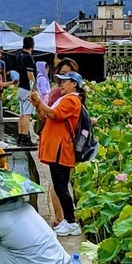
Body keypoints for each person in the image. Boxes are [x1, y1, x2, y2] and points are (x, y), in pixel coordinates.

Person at [30, 71, 84, 236]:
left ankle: (71, 223)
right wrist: (38, 105)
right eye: (59, 81)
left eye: (64, 82)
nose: (60, 84)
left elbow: (54, 114)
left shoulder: (72, 100)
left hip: (62, 149)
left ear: (74, 84)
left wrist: (40, 102)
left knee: (61, 188)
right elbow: (47, 118)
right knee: (60, 187)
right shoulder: (64, 99)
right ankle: (69, 222)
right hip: (56, 149)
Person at [14, 37, 38, 146]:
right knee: (27, 115)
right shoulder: (29, 58)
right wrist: (33, 89)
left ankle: (20, 136)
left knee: (22, 114)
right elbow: (30, 75)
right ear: (33, 45)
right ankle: (25, 138)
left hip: (20, 87)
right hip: (27, 88)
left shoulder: (19, 56)